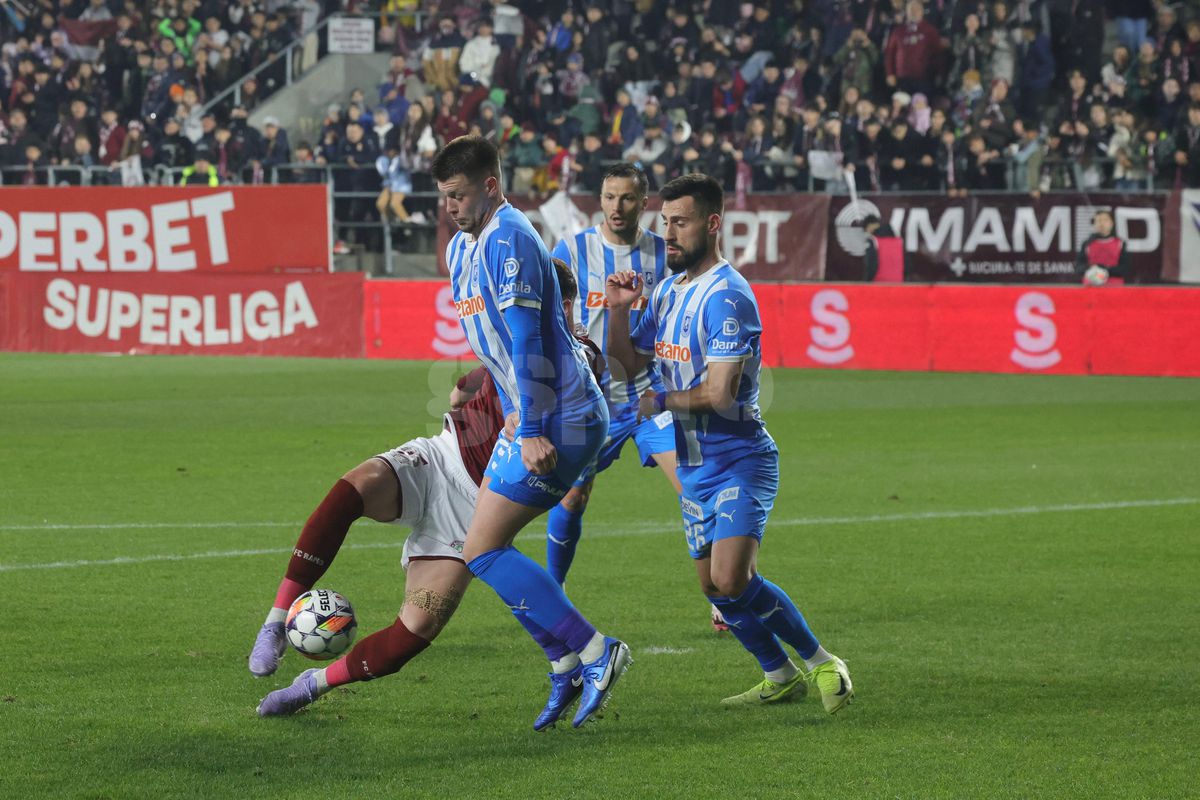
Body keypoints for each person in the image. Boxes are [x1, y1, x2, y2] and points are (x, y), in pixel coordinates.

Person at [251, 261, 596, 717]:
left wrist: (532, 419)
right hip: (441, 458)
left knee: (412, 633)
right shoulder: (513, 336)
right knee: (352, 489)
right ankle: (275, 623)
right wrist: (472, 393)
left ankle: (310, 685)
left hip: (478, 509)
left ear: (564, 305)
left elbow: (572, 393)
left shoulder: (580, 353)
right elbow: (466, 388)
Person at [604, 173, 854, 713]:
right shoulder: (667, 291)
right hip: (695, 464)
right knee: (713, 587)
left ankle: (822, 662)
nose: (669, 234)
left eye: (681, 222)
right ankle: (778, 674)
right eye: (665, 222)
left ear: (712, 223)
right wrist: (619, 309)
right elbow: (626, 363)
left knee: (730, 576)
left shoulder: (728, 296)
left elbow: (720, 394)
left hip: (740, 459)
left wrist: (661, 401)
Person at [433, 136, 629, 731]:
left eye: (458, 194)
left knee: (483, 550)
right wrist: (505, 403)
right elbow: (496, 346)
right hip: (536, 413)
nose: (450, 206)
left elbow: (529, 338)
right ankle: (564, 663)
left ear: (491, 186)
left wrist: (535, 426)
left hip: (563, 416)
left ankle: (596, 651)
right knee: (479, 550)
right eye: (444, 196)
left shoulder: (509, 237)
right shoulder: (463, 248)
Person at [544, 163, 680, 587]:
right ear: (599, 200)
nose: (616, 207)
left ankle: (722, 597)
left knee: (692, 485)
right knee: (573, 498)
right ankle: (555, 590)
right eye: (608, 197)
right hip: (591, 399)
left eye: (626, 198)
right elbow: (550, 316)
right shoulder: (571, 250)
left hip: (648, 394)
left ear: (644, 203)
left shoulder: (664, 254)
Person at [1075, 209, 1130, 285]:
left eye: (1105, 220)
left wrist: (1105, 269)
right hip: (1091, 287)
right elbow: (1078, 268)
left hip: (1114, 287)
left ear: (1111, 223)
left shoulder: (1120, 243)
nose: (1101, 224)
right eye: (1098, 221)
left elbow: (1125, 269)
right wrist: (1092, 269)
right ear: (1094, 224)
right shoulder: (1087, 244)